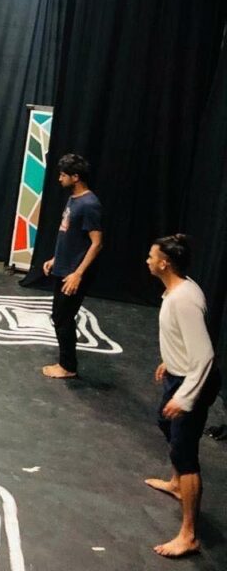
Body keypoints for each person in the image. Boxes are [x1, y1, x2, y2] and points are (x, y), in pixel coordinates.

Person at [143, 234, 220, 559]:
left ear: (165, 263)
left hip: (192, 383)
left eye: (151, 256)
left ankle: (188, 535)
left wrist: (186, 397)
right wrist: (169, 359)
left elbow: (204, 356)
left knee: (185, 454)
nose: (147, 260)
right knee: (165, 422)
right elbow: (184, 340)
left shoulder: (182, 300)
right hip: (178, 375)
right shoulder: (178, 290)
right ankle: (177, 484)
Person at [40, 153, 103, 378]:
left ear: (75, 177)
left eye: (63, 175)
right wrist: (56, 258)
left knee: (63, 317)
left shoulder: (89, 204)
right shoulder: (74, 199)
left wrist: (78, 273)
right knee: (60, 316)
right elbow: (70, 235)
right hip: (64, 267)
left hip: (74, 272)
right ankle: (67, 363)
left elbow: (96, 243)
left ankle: (68, 367)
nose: (60, 179)